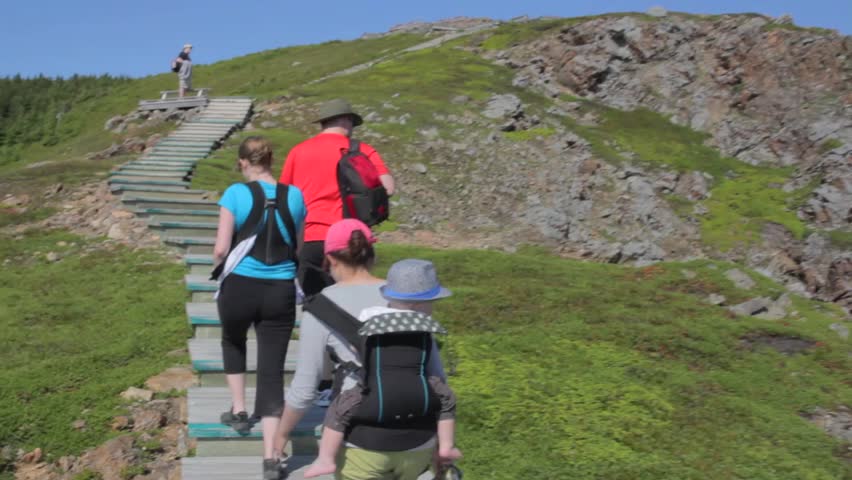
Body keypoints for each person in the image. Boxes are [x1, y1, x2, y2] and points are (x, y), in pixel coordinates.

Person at [274, 220, 460, 480]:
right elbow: (437, 377)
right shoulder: (410, 297)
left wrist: (279, 438)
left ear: (330, 259)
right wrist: (444, 442)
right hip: (419, 439)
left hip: (361, 439)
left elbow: (305, 390)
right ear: (372, 255)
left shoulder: (320, 308)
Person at [212, 136, 306, 480]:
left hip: (239, 285)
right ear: (270, 160)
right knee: (272, 370)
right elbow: (296, 246)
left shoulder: (234, 194)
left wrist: (217, 264)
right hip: (280, 289)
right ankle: (271, 456)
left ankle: (238, 410)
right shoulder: (294, 196)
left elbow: (222, 249)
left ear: (243, 162)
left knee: (233, 340)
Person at [279, 99, 396, 296]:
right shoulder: (362, 150)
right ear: (345, 120)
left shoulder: (298, 151)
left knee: (315, 305)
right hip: (351, 240)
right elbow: (389, 188)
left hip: (309, 238)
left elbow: (284, 196)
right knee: (352, 304)